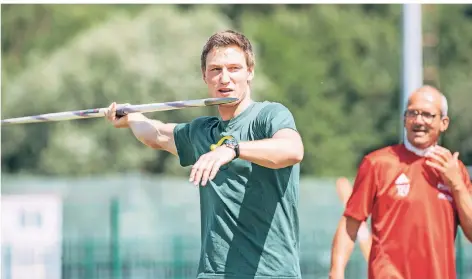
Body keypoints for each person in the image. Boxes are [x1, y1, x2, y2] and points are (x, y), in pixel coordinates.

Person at [105, 30, 304, 279]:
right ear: (204, 76)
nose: (225, 78)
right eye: (215, 70)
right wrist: (131, 117)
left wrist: (232, 149)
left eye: (234, 68)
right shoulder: (203, 132)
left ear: (250, 72)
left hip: (271, 274)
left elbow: (292, 150)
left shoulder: (270, 116)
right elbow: (156, 134)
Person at [329, 85, 472, 279]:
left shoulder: (455, 170)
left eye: (428, 115)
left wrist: (457, 185)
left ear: (444, 122)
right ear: (404, 119)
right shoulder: (377, 164)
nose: (418, 120)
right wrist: (336, 272)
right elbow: (350, 223)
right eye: (412, 113)